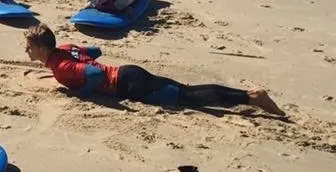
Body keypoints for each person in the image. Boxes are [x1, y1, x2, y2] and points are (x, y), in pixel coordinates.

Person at [23, 24, 285, 114]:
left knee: (188, 97)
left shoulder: (61, 67)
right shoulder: (65, 48)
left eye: (30, 47)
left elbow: (96, 74)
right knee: (185, 91)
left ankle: (250, 97)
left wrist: (82, 94)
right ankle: (247, 96)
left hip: (128, 85)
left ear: (43, 49)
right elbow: (95, 52)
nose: (27, 51)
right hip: (128, 71)